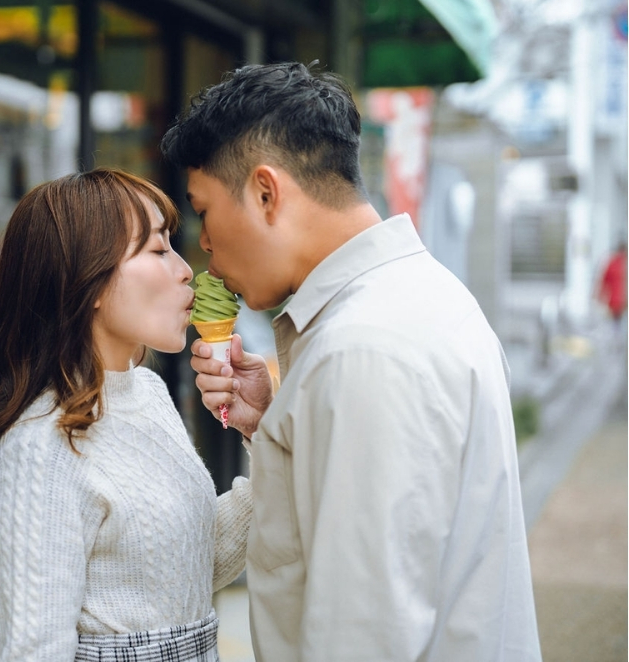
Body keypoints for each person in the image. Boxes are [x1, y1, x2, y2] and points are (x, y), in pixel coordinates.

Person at [162, 62, 541, 661]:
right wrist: (279, 420)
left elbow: (362, 632)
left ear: (266, 192)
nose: (202, 244)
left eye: (204, 211)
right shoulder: (421, 297)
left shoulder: (363, 348)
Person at [0, 168, 261, 661]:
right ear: (87, 279)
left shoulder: (149, 392)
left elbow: (192, 564)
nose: (188, 271)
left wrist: (261, 433)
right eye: (159, 250)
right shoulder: (39, 453)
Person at [597, 241, 627, 336]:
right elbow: (605, 280)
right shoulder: (616, 263)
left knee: (616, 327)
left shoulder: (613, 263)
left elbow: (604, 280)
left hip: (617, 301)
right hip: (618, 301)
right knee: (617, 327)